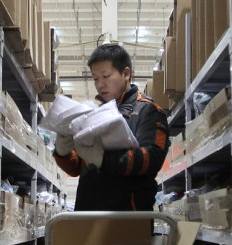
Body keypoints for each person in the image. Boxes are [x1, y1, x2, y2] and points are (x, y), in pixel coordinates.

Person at [54, 43, 170, 211]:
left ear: (126, 74)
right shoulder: (94, 114)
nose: (100, 84)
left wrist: (103, 159)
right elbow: (76, 168)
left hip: (127, 220)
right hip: (88, 216)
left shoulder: (147, 110)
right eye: (95, 78)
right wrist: (63, 150)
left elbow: (151, 159)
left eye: (106, 76)